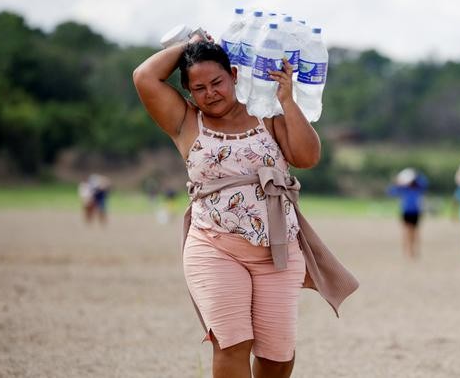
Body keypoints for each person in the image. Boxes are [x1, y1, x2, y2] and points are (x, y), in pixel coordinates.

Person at [133, 33, 357, 378]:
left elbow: (308, 157)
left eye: (217, 82)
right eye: (199, 87)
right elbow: (144, 77)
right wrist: (191, 44)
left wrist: (287, 101)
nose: (210, 93)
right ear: (189, 92)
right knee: (231, 342)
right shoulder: (186, 122)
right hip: (213, 246)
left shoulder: (266, 113)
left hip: (277, 251)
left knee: (277, 355)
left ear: (235, 75)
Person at [387, 168, 428, 260]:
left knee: (415, 232)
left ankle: (413, 250)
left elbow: (425, 182)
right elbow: (390, 192)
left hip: (416, 211)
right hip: (405, 211)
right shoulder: (403, 188)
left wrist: (416, 175)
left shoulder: (418, 187)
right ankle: (406, 251)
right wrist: (397, 182)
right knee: (406, 232)